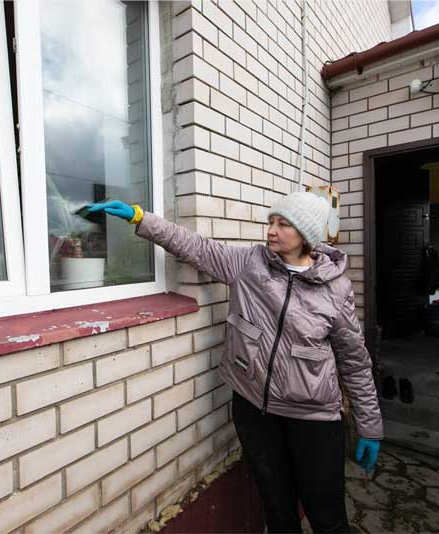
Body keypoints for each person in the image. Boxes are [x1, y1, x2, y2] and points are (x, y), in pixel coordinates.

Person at [84, 192, 382, 533]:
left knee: (327, 517)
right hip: (255, 412)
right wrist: (140, 217)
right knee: (278, 510)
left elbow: (354, 360)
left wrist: (369, 425)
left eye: (283, 224)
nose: (271, 230)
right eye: (271, 221)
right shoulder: (250, 264)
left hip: (312, 420)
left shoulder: (334, 288)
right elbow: (196, 247)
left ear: (306, 234)